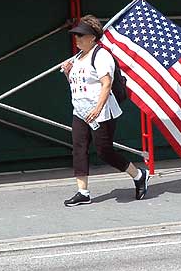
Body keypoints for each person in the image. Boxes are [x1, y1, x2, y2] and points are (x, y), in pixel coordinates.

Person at [60, 14, 149, 207]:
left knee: (104, 151)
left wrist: (97, 108)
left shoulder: (101, 55)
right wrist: (68, 73)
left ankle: (139, 174)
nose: (77, 39)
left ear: (92, 37)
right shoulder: (77, 58)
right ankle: (83, 192)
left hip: (101, 111)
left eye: (81, 35)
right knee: (79, 149)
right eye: (76, 35)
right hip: (80, 111)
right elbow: (78, 84)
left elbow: (106, 84)